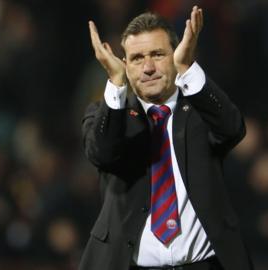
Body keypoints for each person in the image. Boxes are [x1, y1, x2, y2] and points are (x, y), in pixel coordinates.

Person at [80, 6, 254, 270]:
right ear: (125, 65)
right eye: (137, 58)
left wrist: (187, 68)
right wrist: (116, 82)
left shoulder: (200, 110)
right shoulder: (109, 115)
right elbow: (103, 154)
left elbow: (232, 129)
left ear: (175, 55)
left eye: (158, 54)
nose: (148, 67)